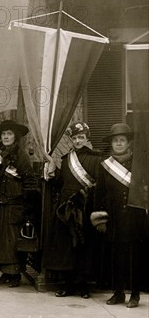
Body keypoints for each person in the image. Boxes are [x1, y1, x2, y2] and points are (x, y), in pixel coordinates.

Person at [45, 122, 103, 298]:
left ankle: (83, 286)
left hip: (85, 207)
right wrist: (52, 172)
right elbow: (61, 183)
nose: (78, 141)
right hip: (66, 209)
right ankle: (67, 285)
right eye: (75, 138)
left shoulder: (96, 159)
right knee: (66, 248)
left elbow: (98, 186)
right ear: (71, 139)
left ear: (87, 138)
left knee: (84, 247)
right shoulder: (65, 159)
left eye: (81, 137)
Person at [92, 123, 147, 308]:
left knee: (135, 256)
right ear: (112, 144)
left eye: (122, 140)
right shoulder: (105, 166)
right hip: (114, 217)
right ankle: (118, 293)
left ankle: (135, 294)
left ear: (128, 143)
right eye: (115, 141)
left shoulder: (139, 164)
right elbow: (99, 193)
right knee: (116, 257)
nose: (119, 144)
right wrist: (100, 218)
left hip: (135, 215)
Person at [0, 120, 38, 288]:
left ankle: (15, 275)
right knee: (1, 240)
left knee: (13, 241)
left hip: (15, 205)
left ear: (15, 136)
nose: (6, 137)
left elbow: (29, 181)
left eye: (9, 134)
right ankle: (5, 273)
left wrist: (27, 206)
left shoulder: (21, 156)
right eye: (4, 134)